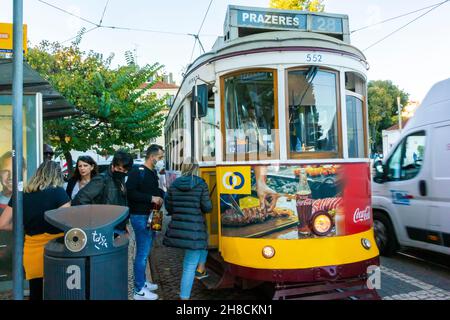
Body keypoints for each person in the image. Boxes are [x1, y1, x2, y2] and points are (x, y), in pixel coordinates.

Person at [0, 161, 70, 300]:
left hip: (32, 251)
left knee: (36, 292)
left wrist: (24, 226)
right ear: (57, 176)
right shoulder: (58, 192)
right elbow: (66, 222)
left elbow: (2, 224)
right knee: (59, 291)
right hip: (56, 250)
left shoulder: (21, 195)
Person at [163, 157, 212, 300]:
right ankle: (184, 298)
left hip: (180, 226)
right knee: (189, 264)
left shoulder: (174, 185)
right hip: (195, 227)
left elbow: (169, 207)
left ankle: (201, 269)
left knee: (203, 240)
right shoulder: (201, 184)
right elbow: (207, 207)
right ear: (196, 168)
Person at [126, 144, 164, 300]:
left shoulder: (153, 172)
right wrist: (151, 198)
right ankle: (138, 289)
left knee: (147, 250)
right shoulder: (137, 171)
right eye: (160, 157)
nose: (161, 160)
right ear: (152, 156)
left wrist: (160, 195)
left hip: (153, 215)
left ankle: (143, 282)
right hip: (140, 216)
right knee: (142, 253)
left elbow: (154, 191)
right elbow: (130, 192)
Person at [72, 150, 133, 235]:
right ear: (113, 165)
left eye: (125, 171)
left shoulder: (120, 179)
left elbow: (121, 202)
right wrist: (96, 222)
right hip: (106, 230)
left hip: (119, 228)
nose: (122, 172)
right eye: (119, 169)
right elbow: (79, 200)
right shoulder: (102, 179)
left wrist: (125, 223)